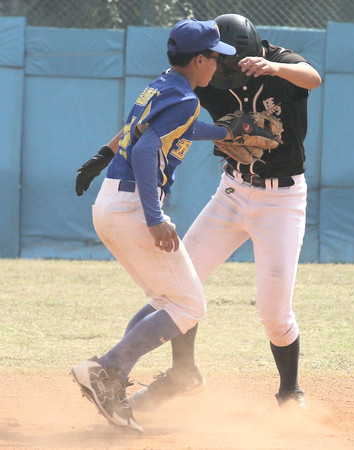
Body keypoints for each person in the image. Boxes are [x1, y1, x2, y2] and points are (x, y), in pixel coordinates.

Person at [128, 13, 322, 411]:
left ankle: (290, 391)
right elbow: (167, 116)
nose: (225, 73)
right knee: (183, 284)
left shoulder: (276, 60)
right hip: (232, 191)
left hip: (282, 201)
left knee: (274, 313)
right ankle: (184, 374)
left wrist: (275, 68)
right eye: (219, 63)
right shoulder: (207, 74)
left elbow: (313, 78)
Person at [71, 18, 236, 432]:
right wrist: (156, 217)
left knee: (168, 301)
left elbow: (159, 130)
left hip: (112, 202)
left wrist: (225, 132)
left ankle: (114, 383)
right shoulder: (185, 99)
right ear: (199, 59)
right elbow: (146, 149)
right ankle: (107, 370)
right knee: (190, 305)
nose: (217, 65)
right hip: (133, 207)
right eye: (215, 57)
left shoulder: (162, 85)